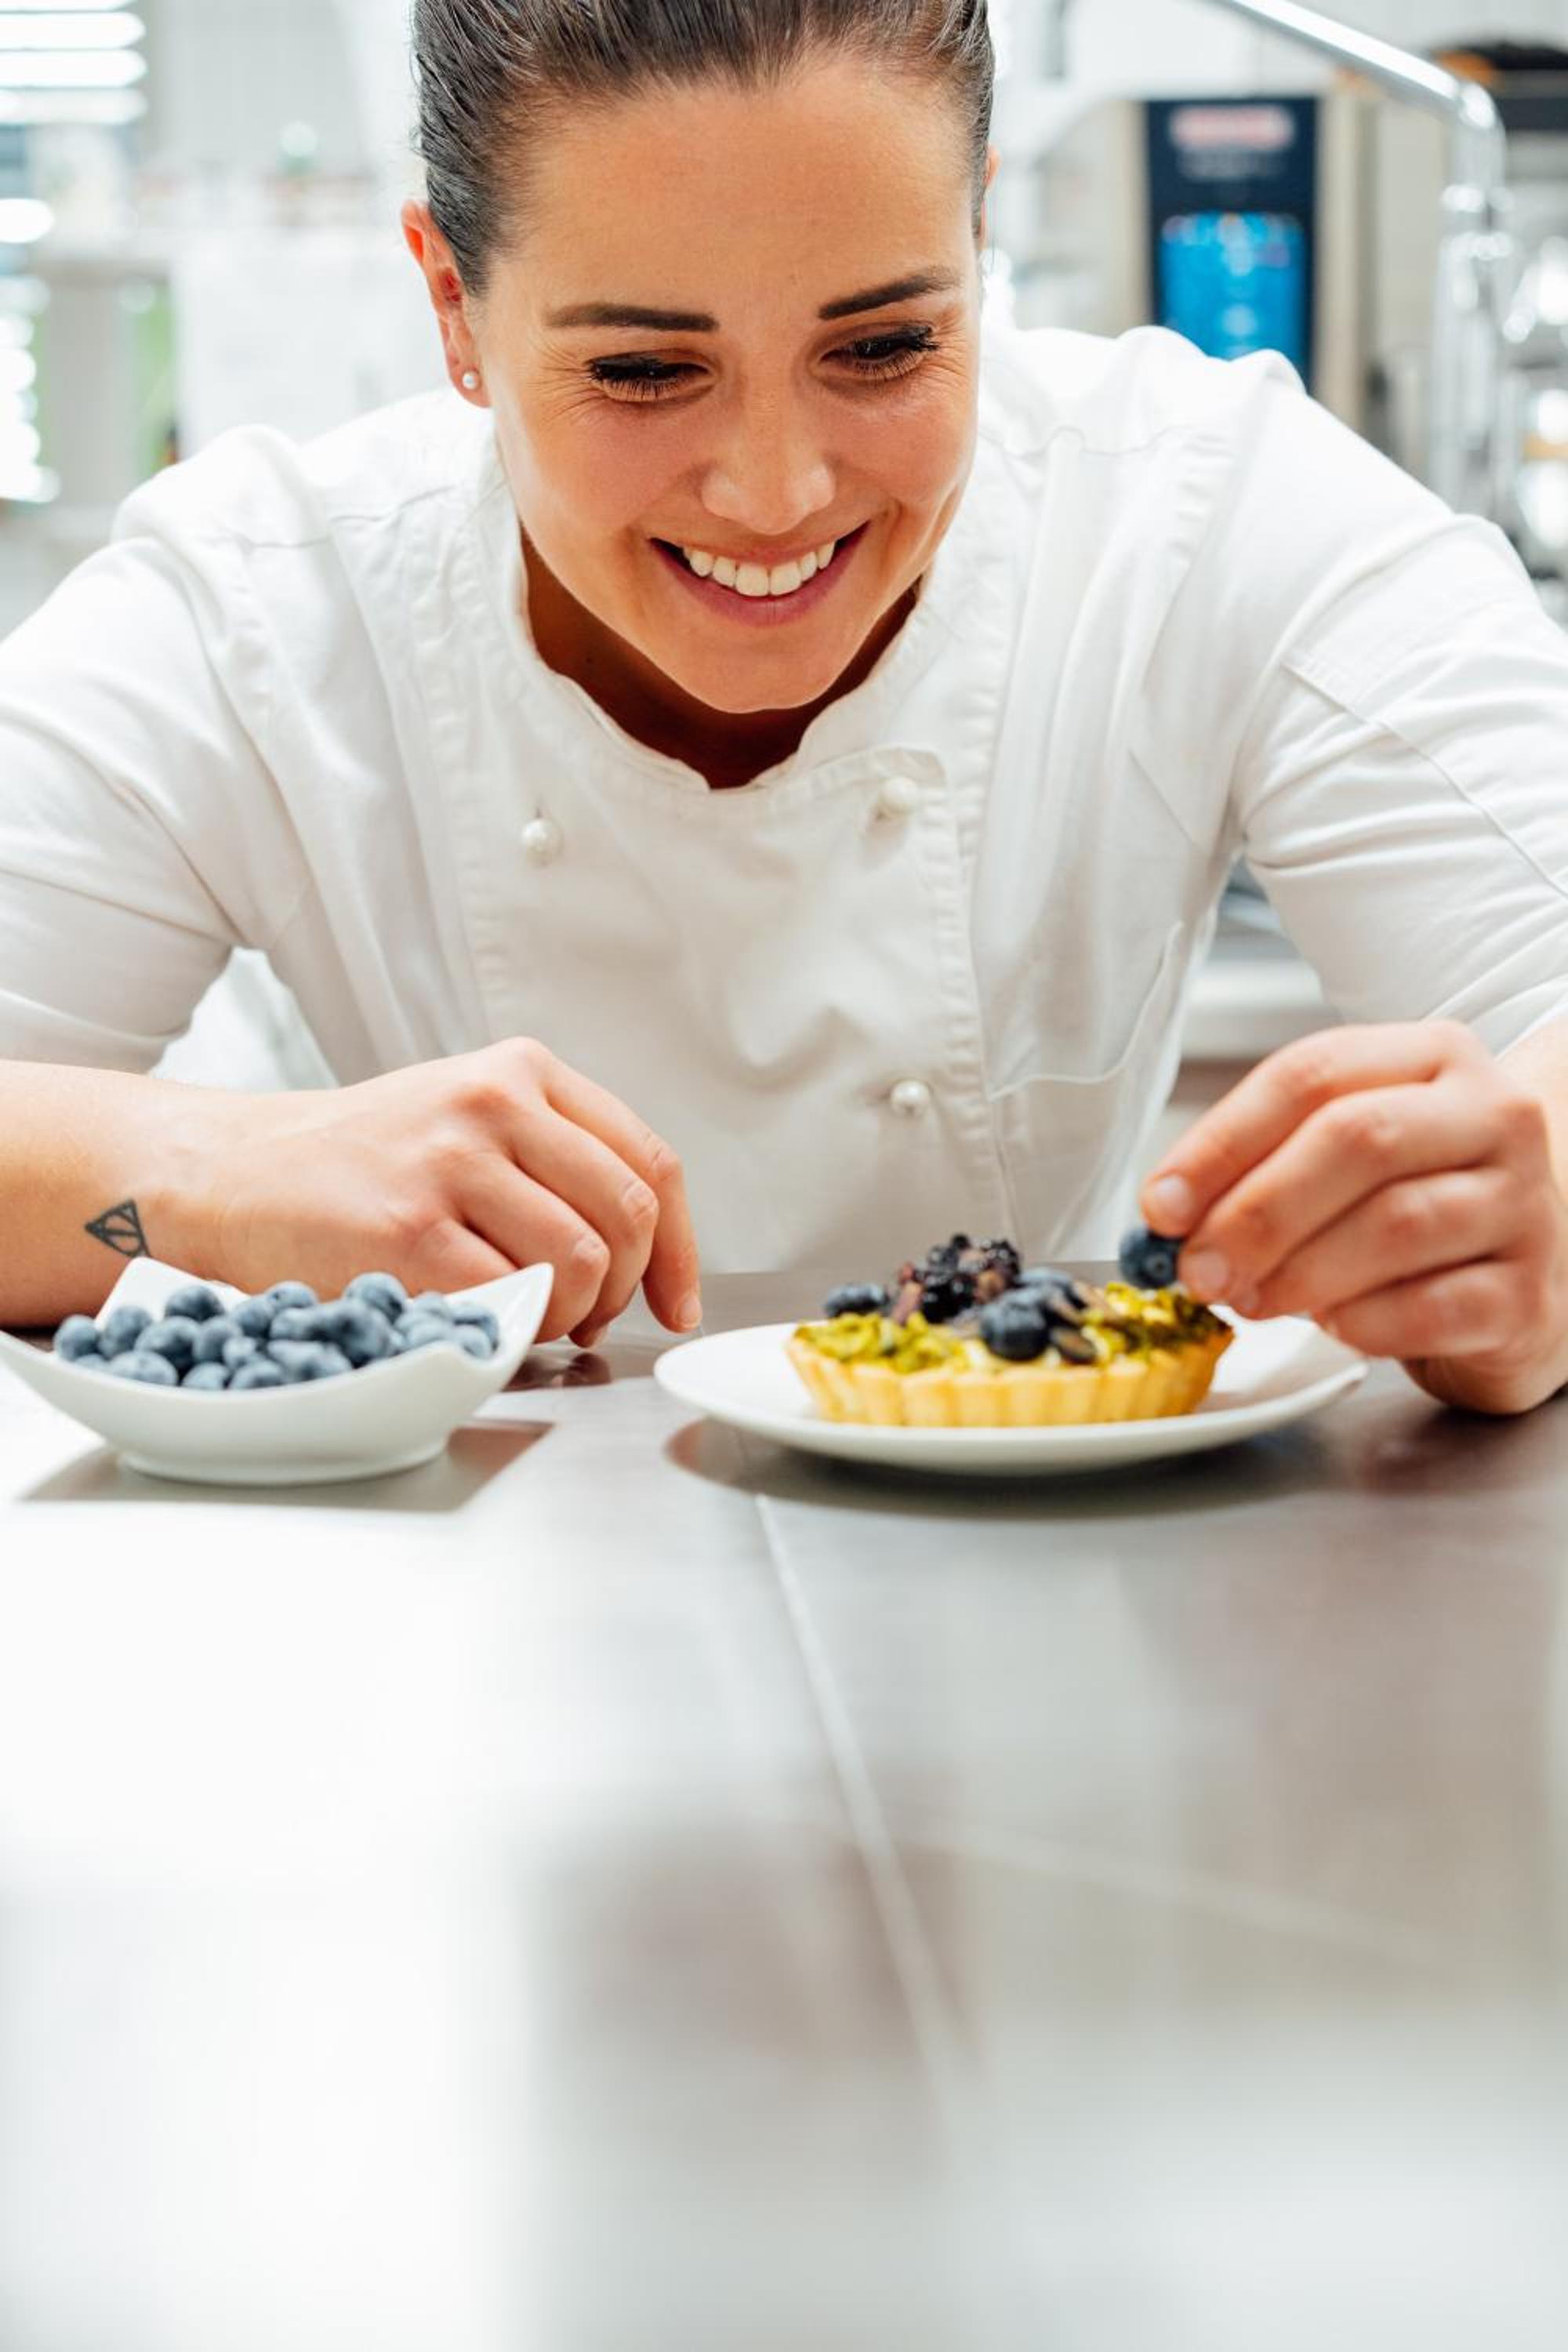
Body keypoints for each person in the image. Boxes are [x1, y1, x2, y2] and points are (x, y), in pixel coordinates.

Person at [1, 0, 1566, 1415]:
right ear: (454, 305)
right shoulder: (259, 608)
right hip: (461, 1579)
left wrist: (1532, 1226)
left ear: (979, 238)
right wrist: (206, 1171)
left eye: (881, 347)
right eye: (643, 370)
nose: (776, 492)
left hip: (1072, 1549)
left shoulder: (1206, 515)